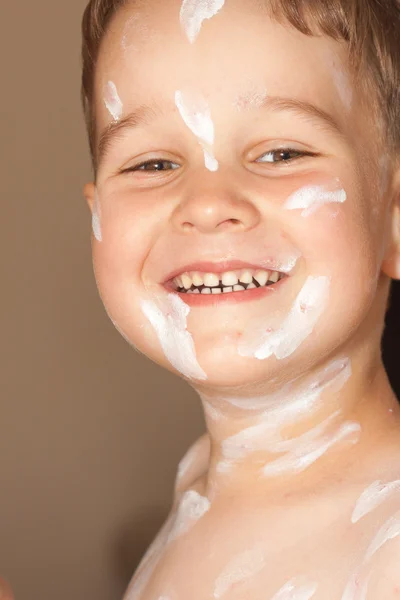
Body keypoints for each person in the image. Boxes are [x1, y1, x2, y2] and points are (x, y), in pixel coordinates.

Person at [80, 0, 400, 597]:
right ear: (96, 218)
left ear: (395, 214)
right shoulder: (197, 481)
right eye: (152, 163)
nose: (205, 201)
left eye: (282, 154)